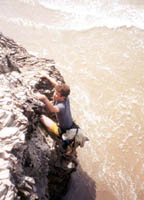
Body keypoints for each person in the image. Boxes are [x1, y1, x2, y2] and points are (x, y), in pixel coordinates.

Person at [37, 73, 74, 137]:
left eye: (57, 94)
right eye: (55, 92)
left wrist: (44, 98)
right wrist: (47, 76)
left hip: (64, 130)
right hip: (70, 124)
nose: (54, 95)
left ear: (62, 97)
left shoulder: (62, 106)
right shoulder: (66, 97)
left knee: (41, 117)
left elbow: (52, 109)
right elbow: (56, 85)